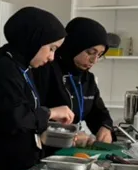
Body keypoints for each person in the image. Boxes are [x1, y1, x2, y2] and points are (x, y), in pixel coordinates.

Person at [0, 6, 74, 170]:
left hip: (17, 158)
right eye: (51, 48)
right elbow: (15, 117)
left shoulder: (21, 66)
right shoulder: (5, 68)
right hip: (3, 162)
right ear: (34, 40)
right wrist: (51, 113)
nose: (51, 57)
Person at [44, 17, 115, 146]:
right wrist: (69, 135)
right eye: (91, 52)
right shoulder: (46, 70)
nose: (94, 60)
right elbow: (33, 117)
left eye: (99, 55)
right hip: (45, 148)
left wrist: (105, 127)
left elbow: (97, 111)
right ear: (74, 45)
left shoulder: (88, 79)